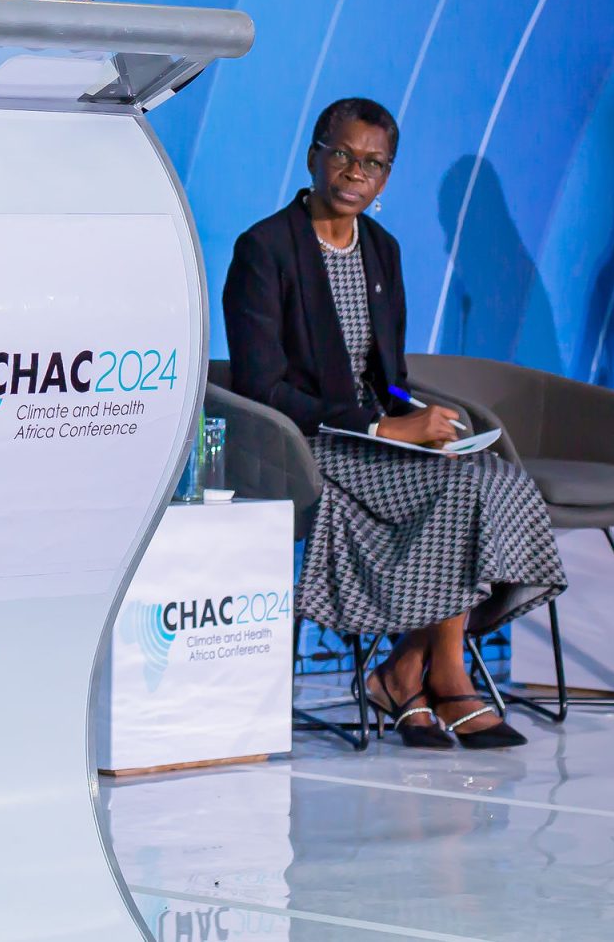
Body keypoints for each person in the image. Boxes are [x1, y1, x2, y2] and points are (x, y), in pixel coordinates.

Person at [223, 99, 562, 750]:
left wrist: (417, 410)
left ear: (387, 175)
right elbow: (263, 388)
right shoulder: (264, 249)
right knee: (458, 489)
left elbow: (389, 375)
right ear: (315, 154)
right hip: (306, 444)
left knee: (500, 479)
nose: (357, 172)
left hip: (379, 438)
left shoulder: (382, 249)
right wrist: (384, 430)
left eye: (375, 163)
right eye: (345, 154)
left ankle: (405, 669)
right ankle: (447, 677)